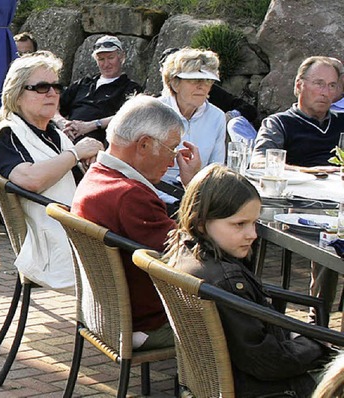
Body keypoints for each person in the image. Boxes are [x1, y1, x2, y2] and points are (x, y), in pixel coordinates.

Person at [164, 163, 333, 398]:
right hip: (265, 389)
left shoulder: (184, 252)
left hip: (223, 381)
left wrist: (299, 337)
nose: (252, 234)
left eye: (254, 223)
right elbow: (266, 361)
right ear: (202, 222)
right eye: (239, 224)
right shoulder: (226, 283)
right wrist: (315, 345)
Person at [72, 94, 201, 350]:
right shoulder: (130, 195)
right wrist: (195, 186)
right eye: (171, 149)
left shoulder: (97, 175)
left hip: (108, 315)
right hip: (150, 322)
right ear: (143, 144)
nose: (173, 160)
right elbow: (192, 257)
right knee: (238, 309)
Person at [0, 52, 102, 289]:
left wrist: (89, 165)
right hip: (54, 241)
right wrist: (76, 154)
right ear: (16, 94)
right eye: (41, 87)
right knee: (138, 257)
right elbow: (29, 179)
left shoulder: (53, 134)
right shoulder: (7, 134)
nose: (52, 93)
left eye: (57, 87)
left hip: (77, 228)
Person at [250, 56, 344, 324]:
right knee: (333, 239)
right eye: (318, 84)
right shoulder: (280, 123)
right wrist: (312, 172)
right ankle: (319, 321)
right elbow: (262, 161)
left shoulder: (341, 122)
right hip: (299, 206)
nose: (325, 92)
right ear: (299, 85)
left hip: (339, 200)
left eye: (332, 85)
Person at [58, 35, 142, 146]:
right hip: (67, 137)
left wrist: (92, 125)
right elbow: (54, 104)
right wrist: (64, 123)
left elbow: (130, 115)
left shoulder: (130, 88)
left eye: (111, 58)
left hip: (99, 144)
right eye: (101, 59)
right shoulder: (84, 83)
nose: (106, 64)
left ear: (121, 57)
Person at [159, 47, 226, 183]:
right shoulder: (154, 111)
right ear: (175, 83)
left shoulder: (217, 116)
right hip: (155, 191)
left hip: (198, 192)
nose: (202, 86)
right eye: (194, 80)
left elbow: (216, 169)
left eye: (208, 80)